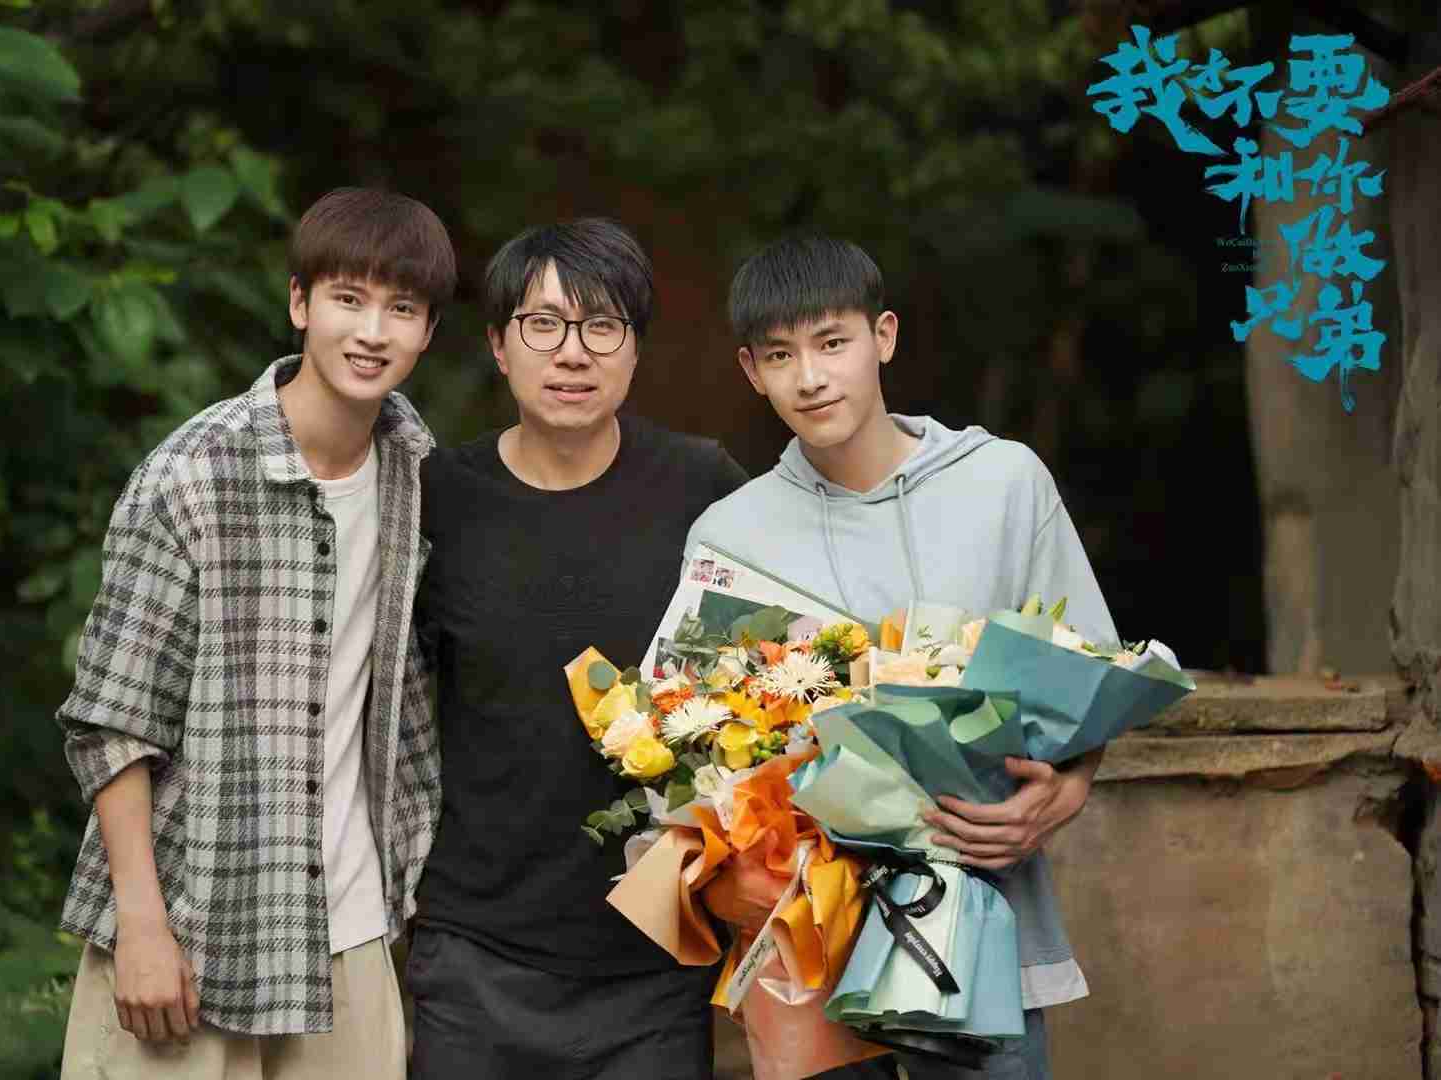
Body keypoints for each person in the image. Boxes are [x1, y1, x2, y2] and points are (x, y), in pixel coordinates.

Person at [687, 232, 1119, 1080]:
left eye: (832, 342)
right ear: (751, 371)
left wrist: (1065, 793)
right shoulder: (730, 535)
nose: (810, 377)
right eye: (780, 355)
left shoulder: (1003, 483)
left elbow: (1089, 676)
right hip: (809, 951)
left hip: (979, 938)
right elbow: (697, 744)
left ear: (883, 336)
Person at [56, 187, 454, 1080]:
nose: (372, 332)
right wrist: (142, 926)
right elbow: (112, 722)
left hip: (350, 929)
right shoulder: (191, 475)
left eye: (402, 309)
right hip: (192, 928)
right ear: (299, 303)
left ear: (429, 331)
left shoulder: (417, 473)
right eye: (348, 299)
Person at [408, 218, 749, 1079]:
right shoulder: (437, 499)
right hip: (473, 952)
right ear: (498, 345)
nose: (572, 353)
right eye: (544, 325)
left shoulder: (702, 489)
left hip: (656, 956)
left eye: (602, 326)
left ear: (634, 351)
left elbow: (775, 680)